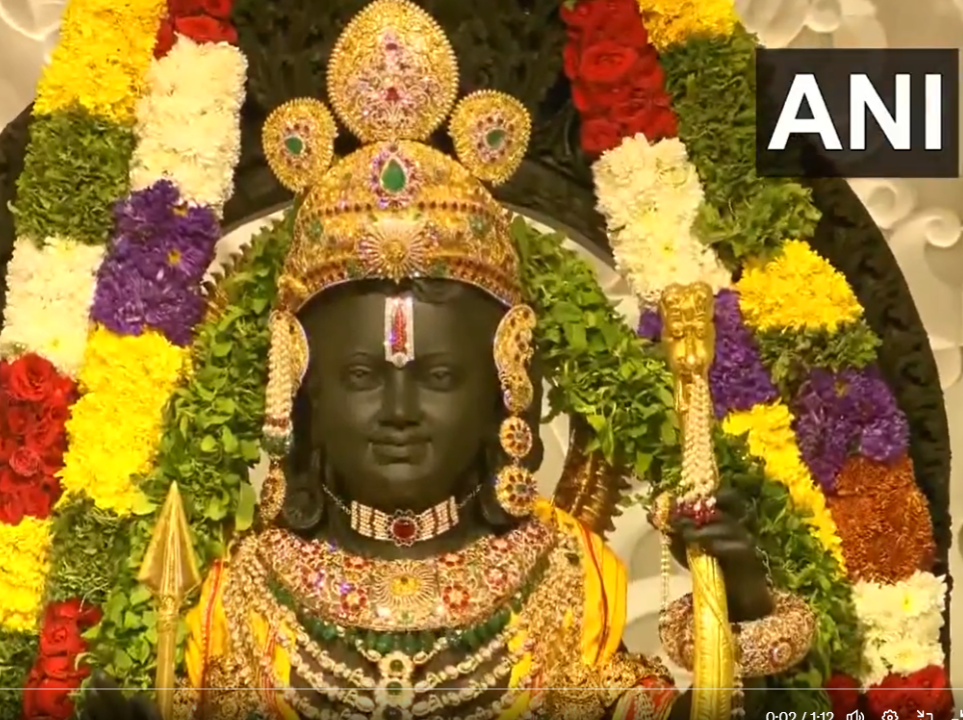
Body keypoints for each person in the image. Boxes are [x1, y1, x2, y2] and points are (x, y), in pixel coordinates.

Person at [85, 1, 814, 718]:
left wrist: (740, 603)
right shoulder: (241, 592)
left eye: (438, 376)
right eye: (362, 376)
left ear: (505, 386)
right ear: (300, 390)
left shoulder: (567, 578)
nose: (399, 413)